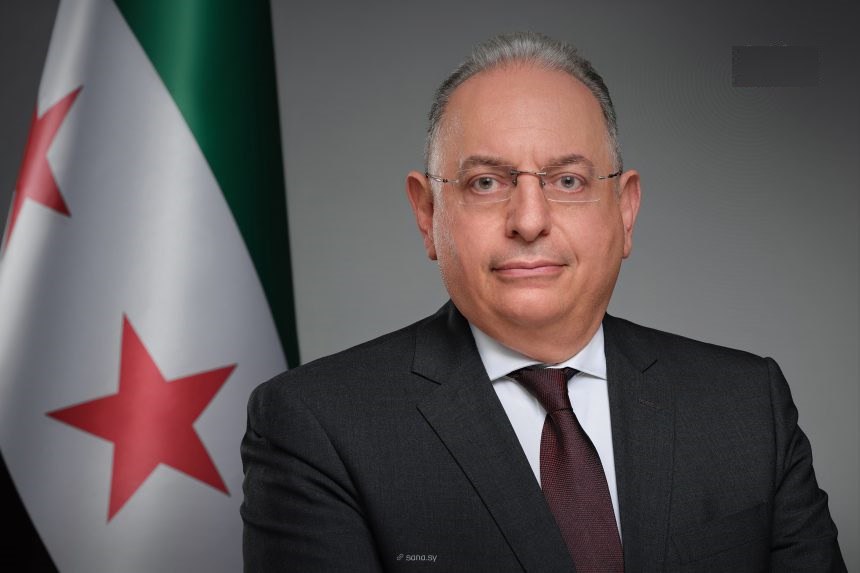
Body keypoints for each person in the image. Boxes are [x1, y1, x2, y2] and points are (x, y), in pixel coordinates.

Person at [240, 32, 846, 572]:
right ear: (427, 214)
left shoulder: (746, 404)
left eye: (568, 181)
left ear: (625, 211)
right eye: (485, 182)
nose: (529, 221)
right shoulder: (317, 425)